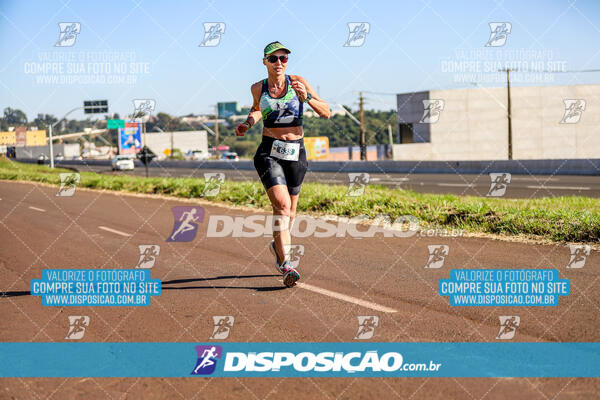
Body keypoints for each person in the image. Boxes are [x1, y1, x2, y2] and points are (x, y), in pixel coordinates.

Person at [235, 41, 330, 287]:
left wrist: (306, 97)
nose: (279, 63)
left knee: (291, 214)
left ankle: (278, 249)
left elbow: (326, 112)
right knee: (282, 205)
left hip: (296, 153)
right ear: (265, 61)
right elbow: (257, 110)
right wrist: (247, 124)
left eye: (283, 58)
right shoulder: (258, 87)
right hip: (269, 152)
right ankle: (287, 265)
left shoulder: (298, 81)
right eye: (274, 58)